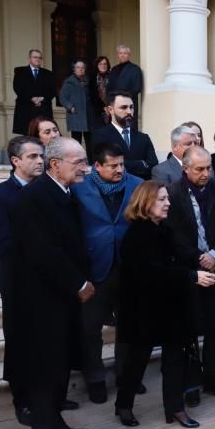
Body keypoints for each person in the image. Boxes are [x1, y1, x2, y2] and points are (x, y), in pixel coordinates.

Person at [8, 137, 95, 429]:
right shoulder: (33, 198)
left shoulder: (65, 194)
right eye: (79, 162)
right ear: (55, 164)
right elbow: (43, 252)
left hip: (62, 298)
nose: (85, 168)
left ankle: (56, 424)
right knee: (45, 368)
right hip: (41, 301)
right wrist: (77, 282)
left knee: (59, 366)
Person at [115, 181, 215, 428]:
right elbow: (151, 272)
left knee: (175, 358)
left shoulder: (164, 227)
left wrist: (203, 258)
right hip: (143, 308)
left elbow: (183, 250)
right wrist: (192, 276)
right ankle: (124, 405)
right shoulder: (137, 234)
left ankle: (176, 409)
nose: (168, 203)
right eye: (161, 199)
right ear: (146, 202)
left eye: (167, 199)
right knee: (137, 359)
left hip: (171, 305)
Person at [165, 145, 215, 403]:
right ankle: (191, 383)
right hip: (189, 272)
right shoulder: (172, 194)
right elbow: (172, 236)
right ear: (185, 169)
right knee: (189, 330)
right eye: (199, 169)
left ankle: (212, 379)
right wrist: (198, 258)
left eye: (208, 168)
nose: (206, 173)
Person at [0, 136, 44, 425]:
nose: (39, 161)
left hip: (50, 281)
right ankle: (23, 400)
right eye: (32, 156)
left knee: (49, 341)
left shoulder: (51, 191)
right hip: (19, 281)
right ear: (15, 161)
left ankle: (47, 394)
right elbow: (1, 244)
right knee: (20, 343)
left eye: (41, 156)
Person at [73, 142, 142, 403]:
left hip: (128, 266)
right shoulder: (80, 185)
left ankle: (126, 376)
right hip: (94, 267)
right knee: (90, 329)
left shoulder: (136, 183)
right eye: (113, 165)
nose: (119, 170)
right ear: (97, 166)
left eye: (122, 164)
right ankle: (95, 379)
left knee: (128, 326)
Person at [90, 91, 158, 180]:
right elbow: (103, 165)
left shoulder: (143, 138)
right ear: (110, 110)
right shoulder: (100, 135)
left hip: (141, 190)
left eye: (131, 107)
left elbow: (153, 165)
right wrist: (141, 164)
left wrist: (125, 165)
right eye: (124, 107)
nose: (129, 111)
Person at [12, 49, 55, 135]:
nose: (38, 59)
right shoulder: (20, 71)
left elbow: (52, 90)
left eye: (40, 58)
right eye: (35, 57)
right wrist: (31, 98)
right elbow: (18, 88)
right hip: (26, 108)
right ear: (29, 58)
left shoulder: (48, 73)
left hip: (43, 109)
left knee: (43, 135)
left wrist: (42, 99)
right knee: (27, 137)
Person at [106, 45, 144, 130]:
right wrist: (108, 103)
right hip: (115, 105)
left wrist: (122, 98)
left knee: (129, 129)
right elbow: (109, 88)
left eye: (125, 53)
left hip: (128, 105)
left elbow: (137, 87)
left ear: (129, 55)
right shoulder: (114, 69)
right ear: (118, 55)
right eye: (120, 53)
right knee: (116, 129)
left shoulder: (135, 69)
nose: (122, 55)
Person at [58, 60, 95, 147]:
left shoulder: (89, 81)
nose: (80, 69)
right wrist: (70, 107)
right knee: (76, 142)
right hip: (75, 115)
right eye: (78, 67)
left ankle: (90, 160)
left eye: (82, 68)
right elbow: (62, 97)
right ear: (74, 69)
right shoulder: (68, 82)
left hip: (88, 115)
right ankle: (78, 160)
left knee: (90, 142)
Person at [89, 56, 111, 127]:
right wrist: (103, 107)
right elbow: (93, 95)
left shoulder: (112, 77)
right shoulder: (92, 78)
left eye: (105, 64)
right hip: (97, 110)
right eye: (100, 64)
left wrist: (109, 107)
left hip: (111, 109)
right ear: (97, 66)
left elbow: (115, 93)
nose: (103, 66)